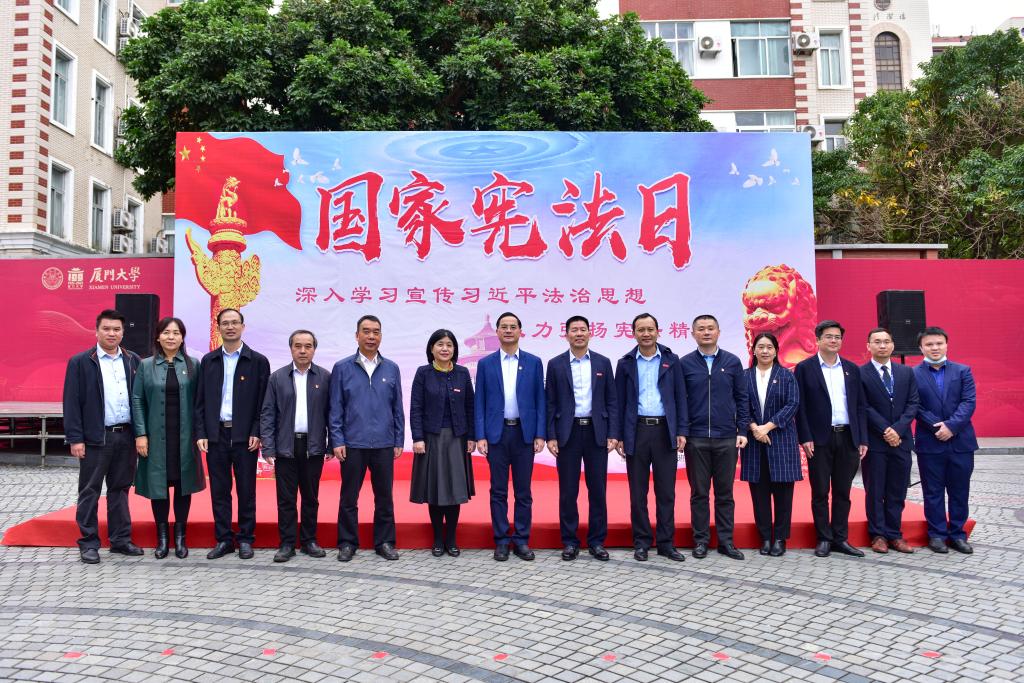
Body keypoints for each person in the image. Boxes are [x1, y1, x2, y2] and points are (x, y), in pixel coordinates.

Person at [63, 309, 143, 564]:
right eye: (106, 329)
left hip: (126, 436)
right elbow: (72, 402)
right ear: (96, 331)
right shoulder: (81, 362)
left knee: (120, 489)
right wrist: (75, 438)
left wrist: (141, 434)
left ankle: (120, 540)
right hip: (96, 438)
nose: (111, 333)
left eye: (116, 329)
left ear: (123, 332)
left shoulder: (133, 360)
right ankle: (88, 543)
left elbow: (140, 400)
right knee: (90, 490)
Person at [194, 308, 270, 560]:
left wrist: (257, 431)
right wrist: (202, 431)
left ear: (243, 327)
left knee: (246, 490)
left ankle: (246, 539)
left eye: (235, 322)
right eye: (225, 323)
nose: (230, 327)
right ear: (218, 328)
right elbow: (200, 401)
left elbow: (263, 402)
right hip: (216, 435)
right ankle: (224, 539)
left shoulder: (257, 361)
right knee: (219, 490)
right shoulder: (209, 361)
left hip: (245, 437)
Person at [330, 315, 405, 562]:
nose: (371, 336)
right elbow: (335, 407)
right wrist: (337, 440)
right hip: (353, 443)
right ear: (357, 335)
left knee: (384, 497)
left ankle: (385, 542)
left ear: (381, 336)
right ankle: (347, 543)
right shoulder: (342, 367)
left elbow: (397, 407)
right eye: (366, 331)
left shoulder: (391, 368)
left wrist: (398, 439)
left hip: (384, 443)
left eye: (376, 332)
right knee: (349, 497)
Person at [615, 313, 688, 562]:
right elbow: (619, 402)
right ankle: (642, 542)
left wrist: (681, 430)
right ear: (633, 333)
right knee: (638, 493)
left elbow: (680, 397)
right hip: (636, 431)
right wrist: (620, 435)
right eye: (641, 330)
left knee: (666, 492)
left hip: (664, 430)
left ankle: (666, 543)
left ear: (658, 331)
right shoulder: (625, 363)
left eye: (650, 329)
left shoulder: (671, 360)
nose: (646, 334)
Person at [545, 316, 619, 562]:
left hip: (597, 433)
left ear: (590, 333)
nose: (579, 333)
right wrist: (551, 435)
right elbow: (550, 402)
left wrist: (613, 433)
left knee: (597, 490)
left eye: (583, 329)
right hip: (568, 433)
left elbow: (611, 400)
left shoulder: (602, 362)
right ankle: (570, 541)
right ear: (566, 334)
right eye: (574, 330)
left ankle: (597, 541)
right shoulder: (555, 364)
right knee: (568, 491)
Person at [474, 312, 546, 562]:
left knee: (523, 491)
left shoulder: (534, 362)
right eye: (503, 327)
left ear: (520, 331)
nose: (508, 330)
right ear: (497, 332)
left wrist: (540, 433)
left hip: (524, 434)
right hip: (497, 434)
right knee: (498, 490)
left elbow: (540, 400)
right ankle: (502, 540)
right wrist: (480, 435)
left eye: (512, 326)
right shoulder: (486, 364)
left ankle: (522, 540)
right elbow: (480, 401)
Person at [131, 317, 205, 560]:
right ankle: (162, 539)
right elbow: (137, 400)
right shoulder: (146, 365)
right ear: (158, 336)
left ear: (182, 338)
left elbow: (200, 403)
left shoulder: (194, 365)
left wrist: (200, 434)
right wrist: (141, 434)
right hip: (155, 437)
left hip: (185, 438)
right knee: (158, 487)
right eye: (166, 332)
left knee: (184, 487)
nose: (171, 337)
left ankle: (181, 538)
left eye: (176, 333)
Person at [795, 320, 868, 558]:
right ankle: (824, 538)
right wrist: (805, 436)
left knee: (843, 491)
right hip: (819, 439)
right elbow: (800, 406)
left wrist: (862, 438)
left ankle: (840, 538)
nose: (834, 340)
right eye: (829, 336)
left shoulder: (851, 369)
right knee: (820, 492)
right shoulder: (805, 368)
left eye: (837, 337)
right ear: (817, 340)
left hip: (847, 437)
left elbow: (860, 406)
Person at [680, 315, 750, 560]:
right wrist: (683, 431)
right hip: (696, 438)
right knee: (699, 493)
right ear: (693, 334)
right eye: (701, 329)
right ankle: (700, 541)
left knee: (724, 494)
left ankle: (726, 542)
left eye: (711, 328)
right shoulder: (685, 363)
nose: (706, 332)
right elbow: (680, 401)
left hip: (726, 437)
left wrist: (742, 430)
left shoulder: (732, 361)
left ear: (719, 332)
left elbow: (742, 398)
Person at [260, 330, 332, 563]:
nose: (303, 351)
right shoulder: (277, 377)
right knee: (286, 499)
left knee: (311, 497)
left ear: (314, 349)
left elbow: (332, 413)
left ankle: (309, 540)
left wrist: (332, 444)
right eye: (298, 346)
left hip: (313, 446)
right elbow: (268, 414)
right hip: (285, 447)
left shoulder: (325, 377)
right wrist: (268, 447)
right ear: (291, 348)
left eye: (308, 346)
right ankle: (287, 543)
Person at [409, 329, 476, 557]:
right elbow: (416, 407)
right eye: (440, 344)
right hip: (431, 439)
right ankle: (438, 538)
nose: (445, 349)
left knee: (455, 489)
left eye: (449, 345)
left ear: (454, 349)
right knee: (435, 490)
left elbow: (470, 407)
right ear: (432, 348)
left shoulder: (462, 373)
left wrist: (471, 436)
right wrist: (418, 438)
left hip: (458, 438)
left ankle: (451, 539)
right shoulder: (423, 373)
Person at [914, 326, 978, 554]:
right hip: (930, 442)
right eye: (929, 344)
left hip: (961, 442)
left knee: (960, 491)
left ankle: (958, 535)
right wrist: (938, 427)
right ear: (921, 347)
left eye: (939, 343)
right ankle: (937, 535)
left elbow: (968, 402)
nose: (935, 348)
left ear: (946, 344)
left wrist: (951, 426)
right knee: (933, 492)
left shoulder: (963, 371)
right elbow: (915, 406)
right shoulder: (912, 374)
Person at [740, 332, 801, 557]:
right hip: (754, 443)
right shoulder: (744, 376)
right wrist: (755, 428)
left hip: (782, 440)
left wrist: (767, 427)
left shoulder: (786, 375)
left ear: (776, 351)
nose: (765, 351)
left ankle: (780, 538)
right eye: (761, 347)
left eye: (769, 347)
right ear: (754, 350)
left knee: (783, 494)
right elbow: (740, 405)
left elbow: (793, 404)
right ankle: (765, 537)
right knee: (759, 494)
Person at [860, 328, 920, 554]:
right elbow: (863, 406)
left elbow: (913, 404)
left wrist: (898, 429)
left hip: (901, 441)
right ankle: (877, 535)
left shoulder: (906, 372)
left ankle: (894, 534)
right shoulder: (860, 373)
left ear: (893, 345)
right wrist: (886, 429)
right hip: (875, 442)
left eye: (886, 341)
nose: (882, 345)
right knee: (875, 491)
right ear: (869, 346)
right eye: (877, 342)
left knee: (897, 490)